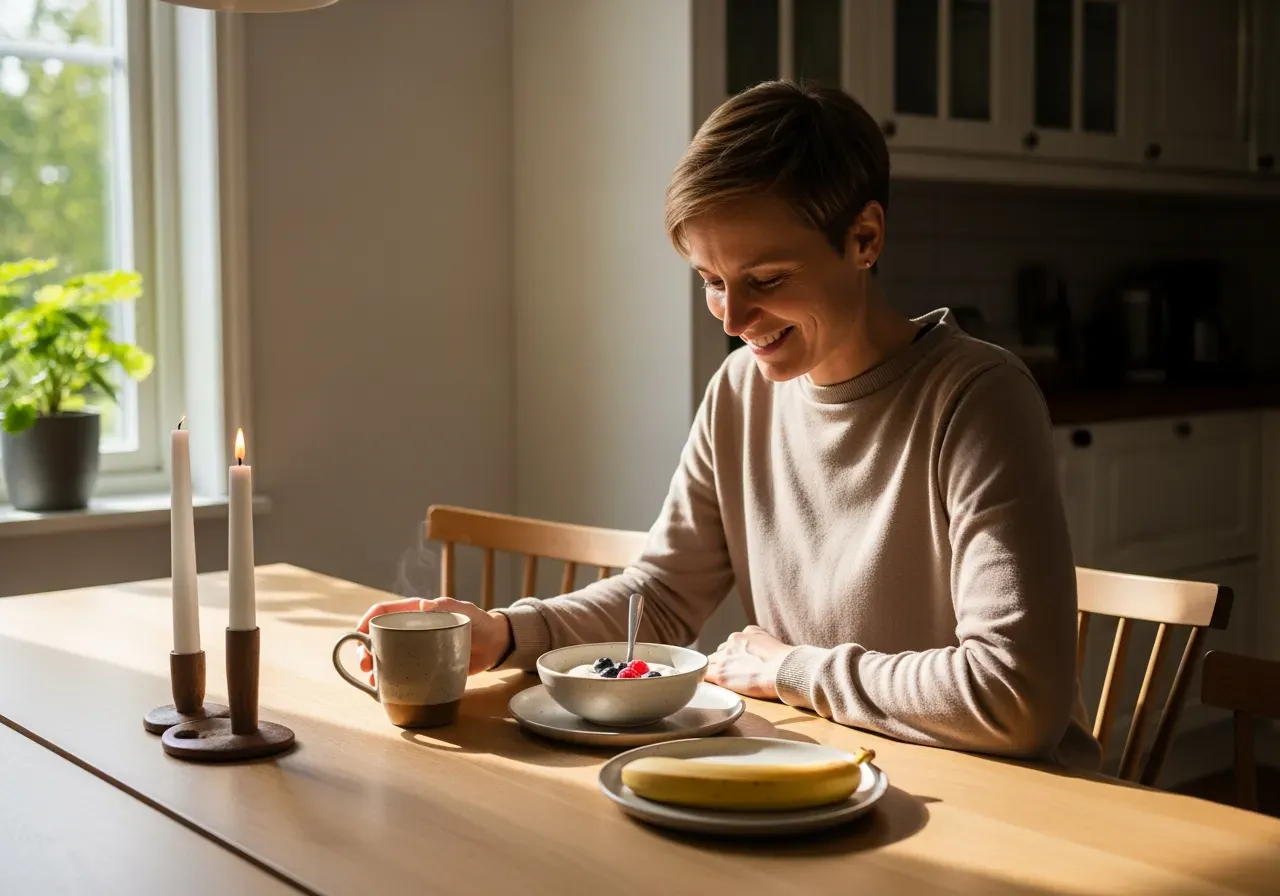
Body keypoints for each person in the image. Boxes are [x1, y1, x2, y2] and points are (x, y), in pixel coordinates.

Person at [356, 81, 1102, 769]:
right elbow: (665, 596)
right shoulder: (741, 390)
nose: (734, 320)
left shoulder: (977, 398)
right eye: (712, 282)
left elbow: (1016, 696)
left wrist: (790, 667)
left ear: (864, 239)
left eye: (766, 280)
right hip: (832, 772)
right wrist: (507, 633)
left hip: (1004, 799)